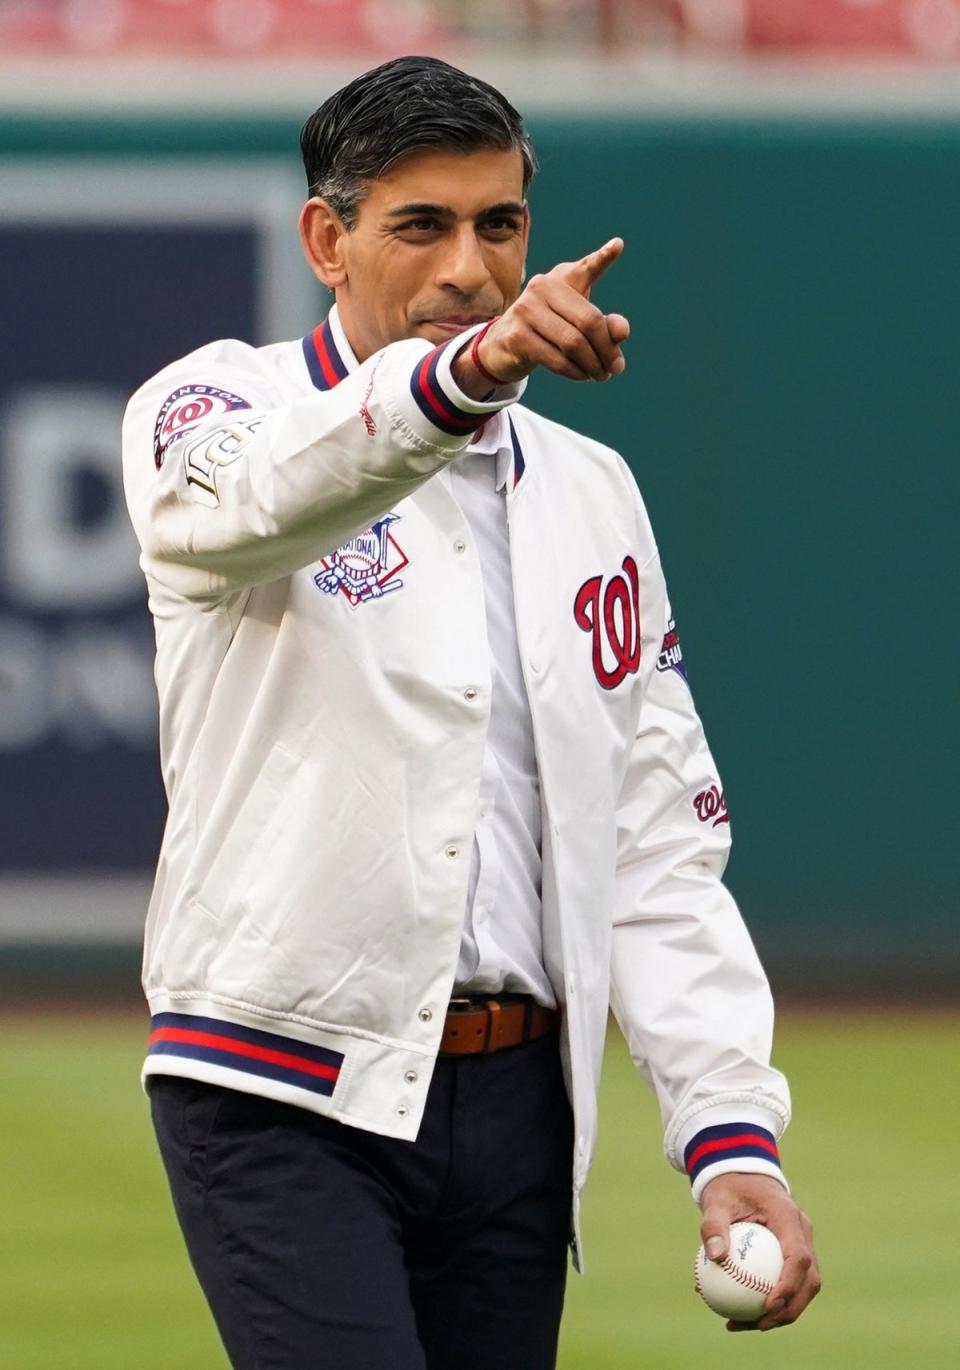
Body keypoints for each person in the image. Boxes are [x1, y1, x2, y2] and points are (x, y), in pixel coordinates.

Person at [122, 54, 819, 1370]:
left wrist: (732, 1132)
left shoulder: (593, 491)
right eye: (421, 225)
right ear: (328, 239)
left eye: (499, 225)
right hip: (280, 1078)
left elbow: (655, 839)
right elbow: (258, 498)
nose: (470, 266)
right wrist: (475, 372)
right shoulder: (217, 405)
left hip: (519, 1103)